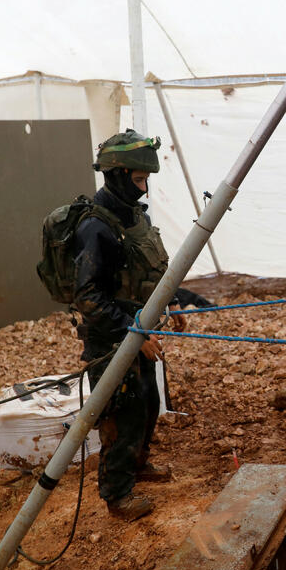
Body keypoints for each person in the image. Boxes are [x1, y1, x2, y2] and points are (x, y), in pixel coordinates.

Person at [73, 129, 184, 521]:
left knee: (148, 403)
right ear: (118, 175)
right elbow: (87, 296)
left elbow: (148, 269)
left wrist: (171, 301)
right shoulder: (95, 227)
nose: (144, 189)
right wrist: (132, 335)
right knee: (122, 413)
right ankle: (117, 495)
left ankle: (138, 465)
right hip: (111, 340)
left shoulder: (133, 216)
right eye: (139, 180)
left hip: (139, 332)